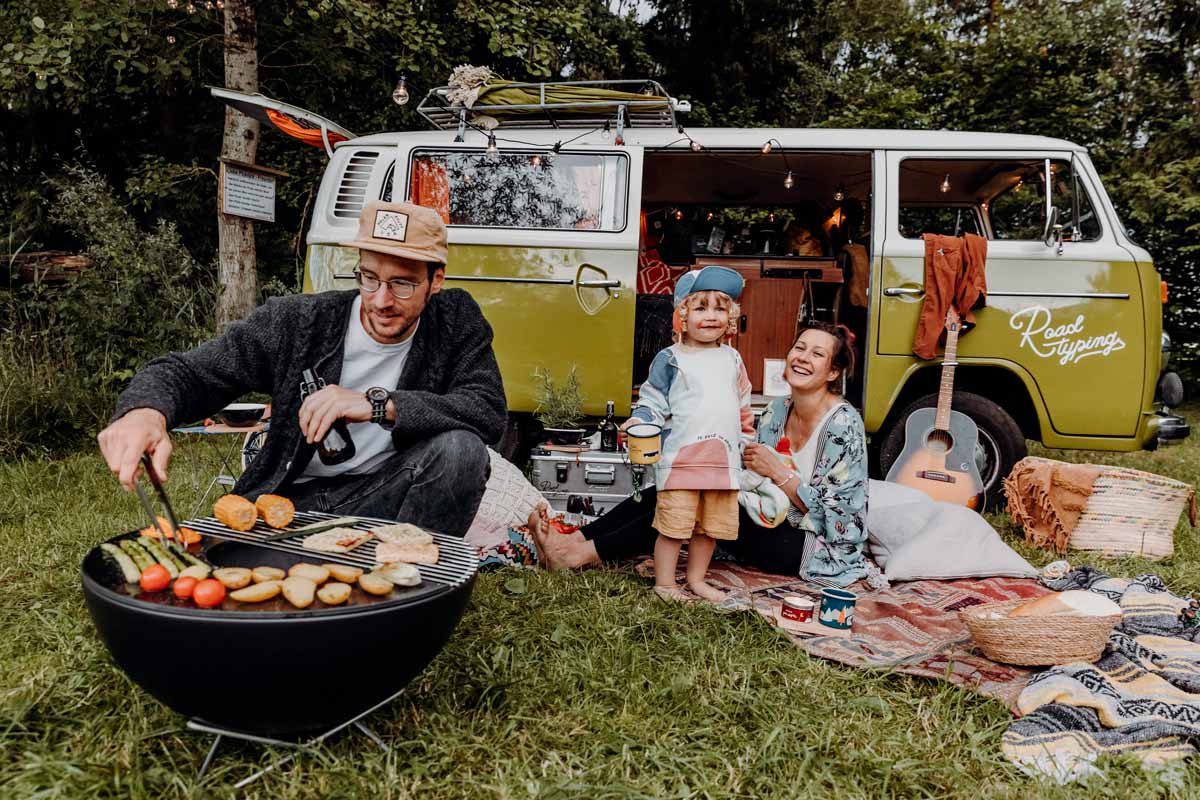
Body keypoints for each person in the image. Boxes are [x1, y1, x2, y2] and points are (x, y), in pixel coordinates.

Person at [97, 200, 507, 537]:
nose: (381, 300)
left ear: (436, 280)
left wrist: (377, 404)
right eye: (369, 278)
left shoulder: (454, 320)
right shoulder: (299, 322)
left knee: (461, 451)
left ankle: (411, 582)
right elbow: (193, 372)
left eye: (402, 284)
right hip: (291, 504)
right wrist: (145, 412)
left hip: (386, 495)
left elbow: (486, 410)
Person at [534, 320, 869, 587]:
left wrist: (780, 474)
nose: (802, 357)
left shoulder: (843, 426)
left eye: (817, 354)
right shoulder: (776, 411)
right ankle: (573, 540)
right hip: (763, 516)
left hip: (812, 548)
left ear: (833, 371)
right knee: (673, 487)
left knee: (693, 498)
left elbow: (843, 523)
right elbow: (742, 464)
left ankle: (577, 556)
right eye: (799, 348)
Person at [625, 265, 752, 602]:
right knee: (674, 526)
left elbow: (743, 406)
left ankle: (696, 579)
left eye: (720, 309)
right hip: (681, 462)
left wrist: (747, 444)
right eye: (701, 308)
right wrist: (641, 421)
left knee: (710, 529)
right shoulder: (671, 359)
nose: (711, 316)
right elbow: (652, 400)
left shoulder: (733, 359)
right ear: (682, 315)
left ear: (730, 317)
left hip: (724, 464)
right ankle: (665, 584)